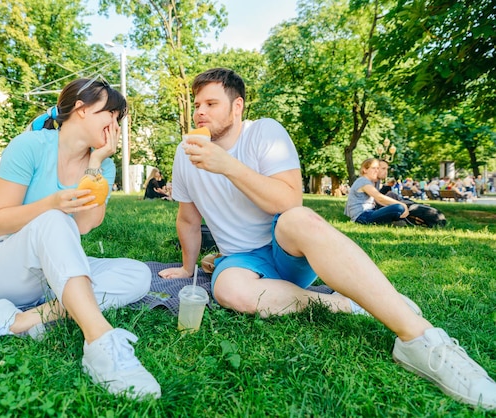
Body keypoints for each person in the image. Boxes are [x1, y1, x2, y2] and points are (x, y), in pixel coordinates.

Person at [159, 68, 495, 409]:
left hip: (284, 244)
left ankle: (421, 338)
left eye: (211, 103)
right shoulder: (184, 154)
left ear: (237, 107)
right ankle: (346, 303)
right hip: (240, 260)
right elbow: (188, 217)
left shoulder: (263, 132)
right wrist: (188, 269)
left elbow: (289, 200)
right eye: (197, 104)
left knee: (299, 218)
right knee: (226, 289)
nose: (200, 112)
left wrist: (226, 165)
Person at [0, 77, 160, 399]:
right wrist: (50, 205)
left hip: (55, 273)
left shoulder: (104, 166)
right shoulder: (29, 146)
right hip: (5, 269)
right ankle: (100, 342)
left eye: (118, 119)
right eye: (110, 114)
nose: (115, 125)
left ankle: (18, 320)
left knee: (138, 275)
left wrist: (95, 165)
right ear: (82, 109)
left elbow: (86, 225)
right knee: (54, 219)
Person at [344, 158, 409, 225]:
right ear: (365, 170)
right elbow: (379, 198)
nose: (376, 171)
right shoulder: (363, 181)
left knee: (396, 207)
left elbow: (378, 201)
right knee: (398, 207)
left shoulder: (370, 182)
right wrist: (402, 205)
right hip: (362, 216)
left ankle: (397, 220)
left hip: (369, 212)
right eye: (373, 168)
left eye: (378, 168)